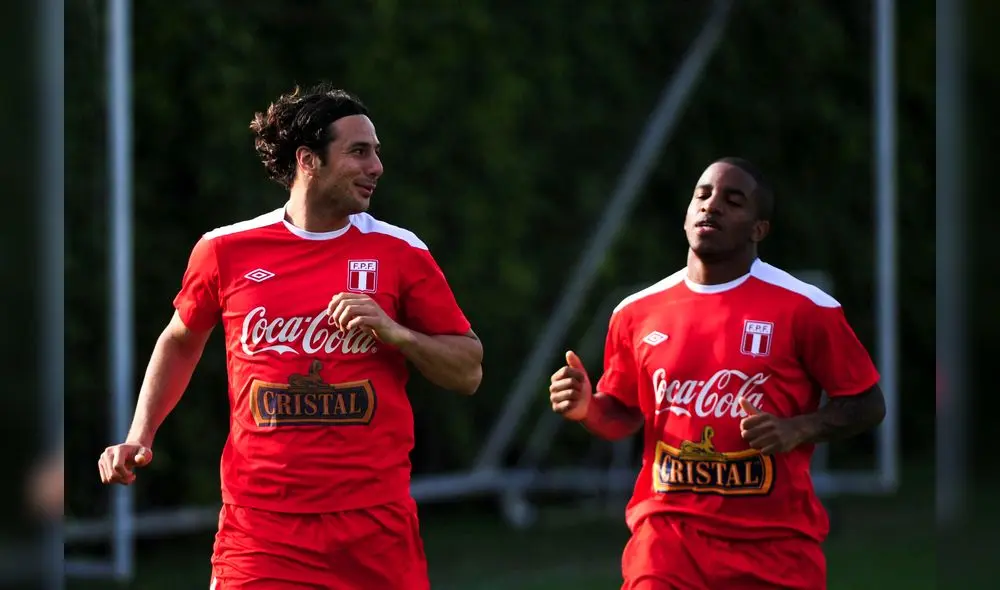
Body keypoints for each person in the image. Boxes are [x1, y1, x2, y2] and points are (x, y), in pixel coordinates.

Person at [98, 83, 484, 590]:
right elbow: (181, 339)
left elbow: (469, 370)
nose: (377, 167)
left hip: (374, 528)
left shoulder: (401, 251)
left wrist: (396, 334)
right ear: (309, 160)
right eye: (359, 152)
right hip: (260, 531)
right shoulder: (225, 250)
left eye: (377, 153)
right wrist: (139, 435)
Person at [548, 157, 886, 590]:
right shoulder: (635, 313)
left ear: (758, 229)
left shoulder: (806, 308)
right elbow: (623, 415)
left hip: (775, 546)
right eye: (702, 195)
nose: (712, 207)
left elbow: (867, 403)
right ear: (688, 214)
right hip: (667, 540)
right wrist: (585, 408)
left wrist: (798, 428)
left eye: (733, 200)